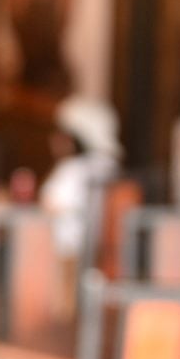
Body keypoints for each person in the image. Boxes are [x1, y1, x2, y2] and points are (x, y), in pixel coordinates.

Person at [39, 95, 122, 260]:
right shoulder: (110, 167)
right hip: (100, 256)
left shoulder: (73, 171)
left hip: (68, 257)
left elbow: (48, 206)